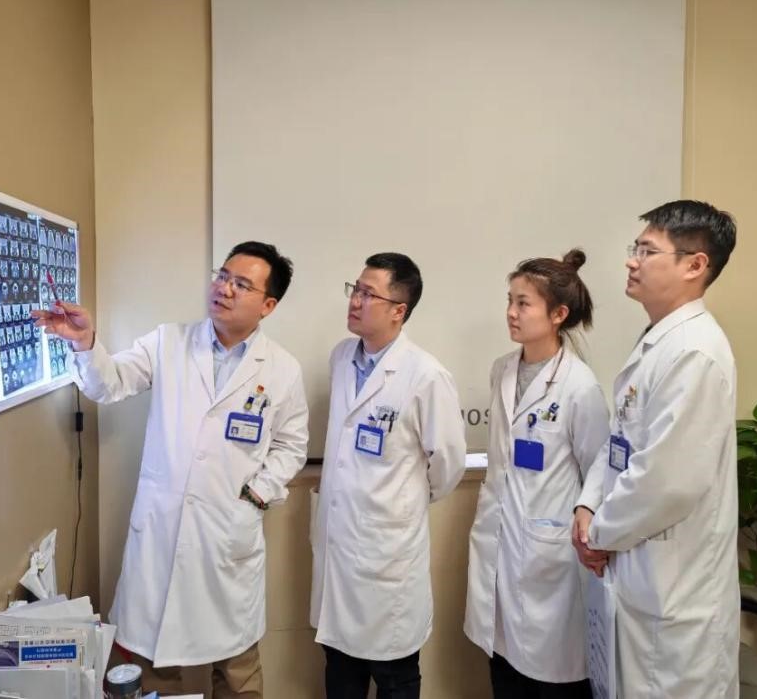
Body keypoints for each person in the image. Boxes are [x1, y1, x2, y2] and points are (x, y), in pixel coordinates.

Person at [32, 241, 309, 699]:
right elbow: (110, 383)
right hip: (161, 534)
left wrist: (258, 494)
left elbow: (291, 444)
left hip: (227, 537)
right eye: (223, 276)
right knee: (154, 666)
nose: (224, 288)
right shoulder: (168, 342)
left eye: (242, 284)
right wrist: (84, 343)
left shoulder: (282, 369)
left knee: (237, 674)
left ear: (268, 305)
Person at [572, 200, 739, 697]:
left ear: (694, 265)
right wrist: (588, 504)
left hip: (674, 597)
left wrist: (598, 534)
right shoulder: (658, 341)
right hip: (638, 576)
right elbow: (620, 440)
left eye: (647, 251)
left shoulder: (695, 352)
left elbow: (666, 482)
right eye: (636, 248)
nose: (632, 261)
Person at [310, 252, 467, 699]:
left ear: (399, 310)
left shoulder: (426, 375)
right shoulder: (342, 357)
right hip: (339, 546)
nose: (355, 300)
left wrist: (401, 501)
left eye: (368, 294)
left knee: (394, 674)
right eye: (355, 289)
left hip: (387, 554)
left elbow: (449, 464)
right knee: (340, 670)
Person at [464, 250, 610, 698]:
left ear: (558, 314)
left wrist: (587, 515)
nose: (511, 312)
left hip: (550, 553)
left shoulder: (579, 385)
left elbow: (599, 468)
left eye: (523, 303)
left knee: (553, 677)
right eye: (510, 300)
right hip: (500, 541)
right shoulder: (502, 371)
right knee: (505, 667)